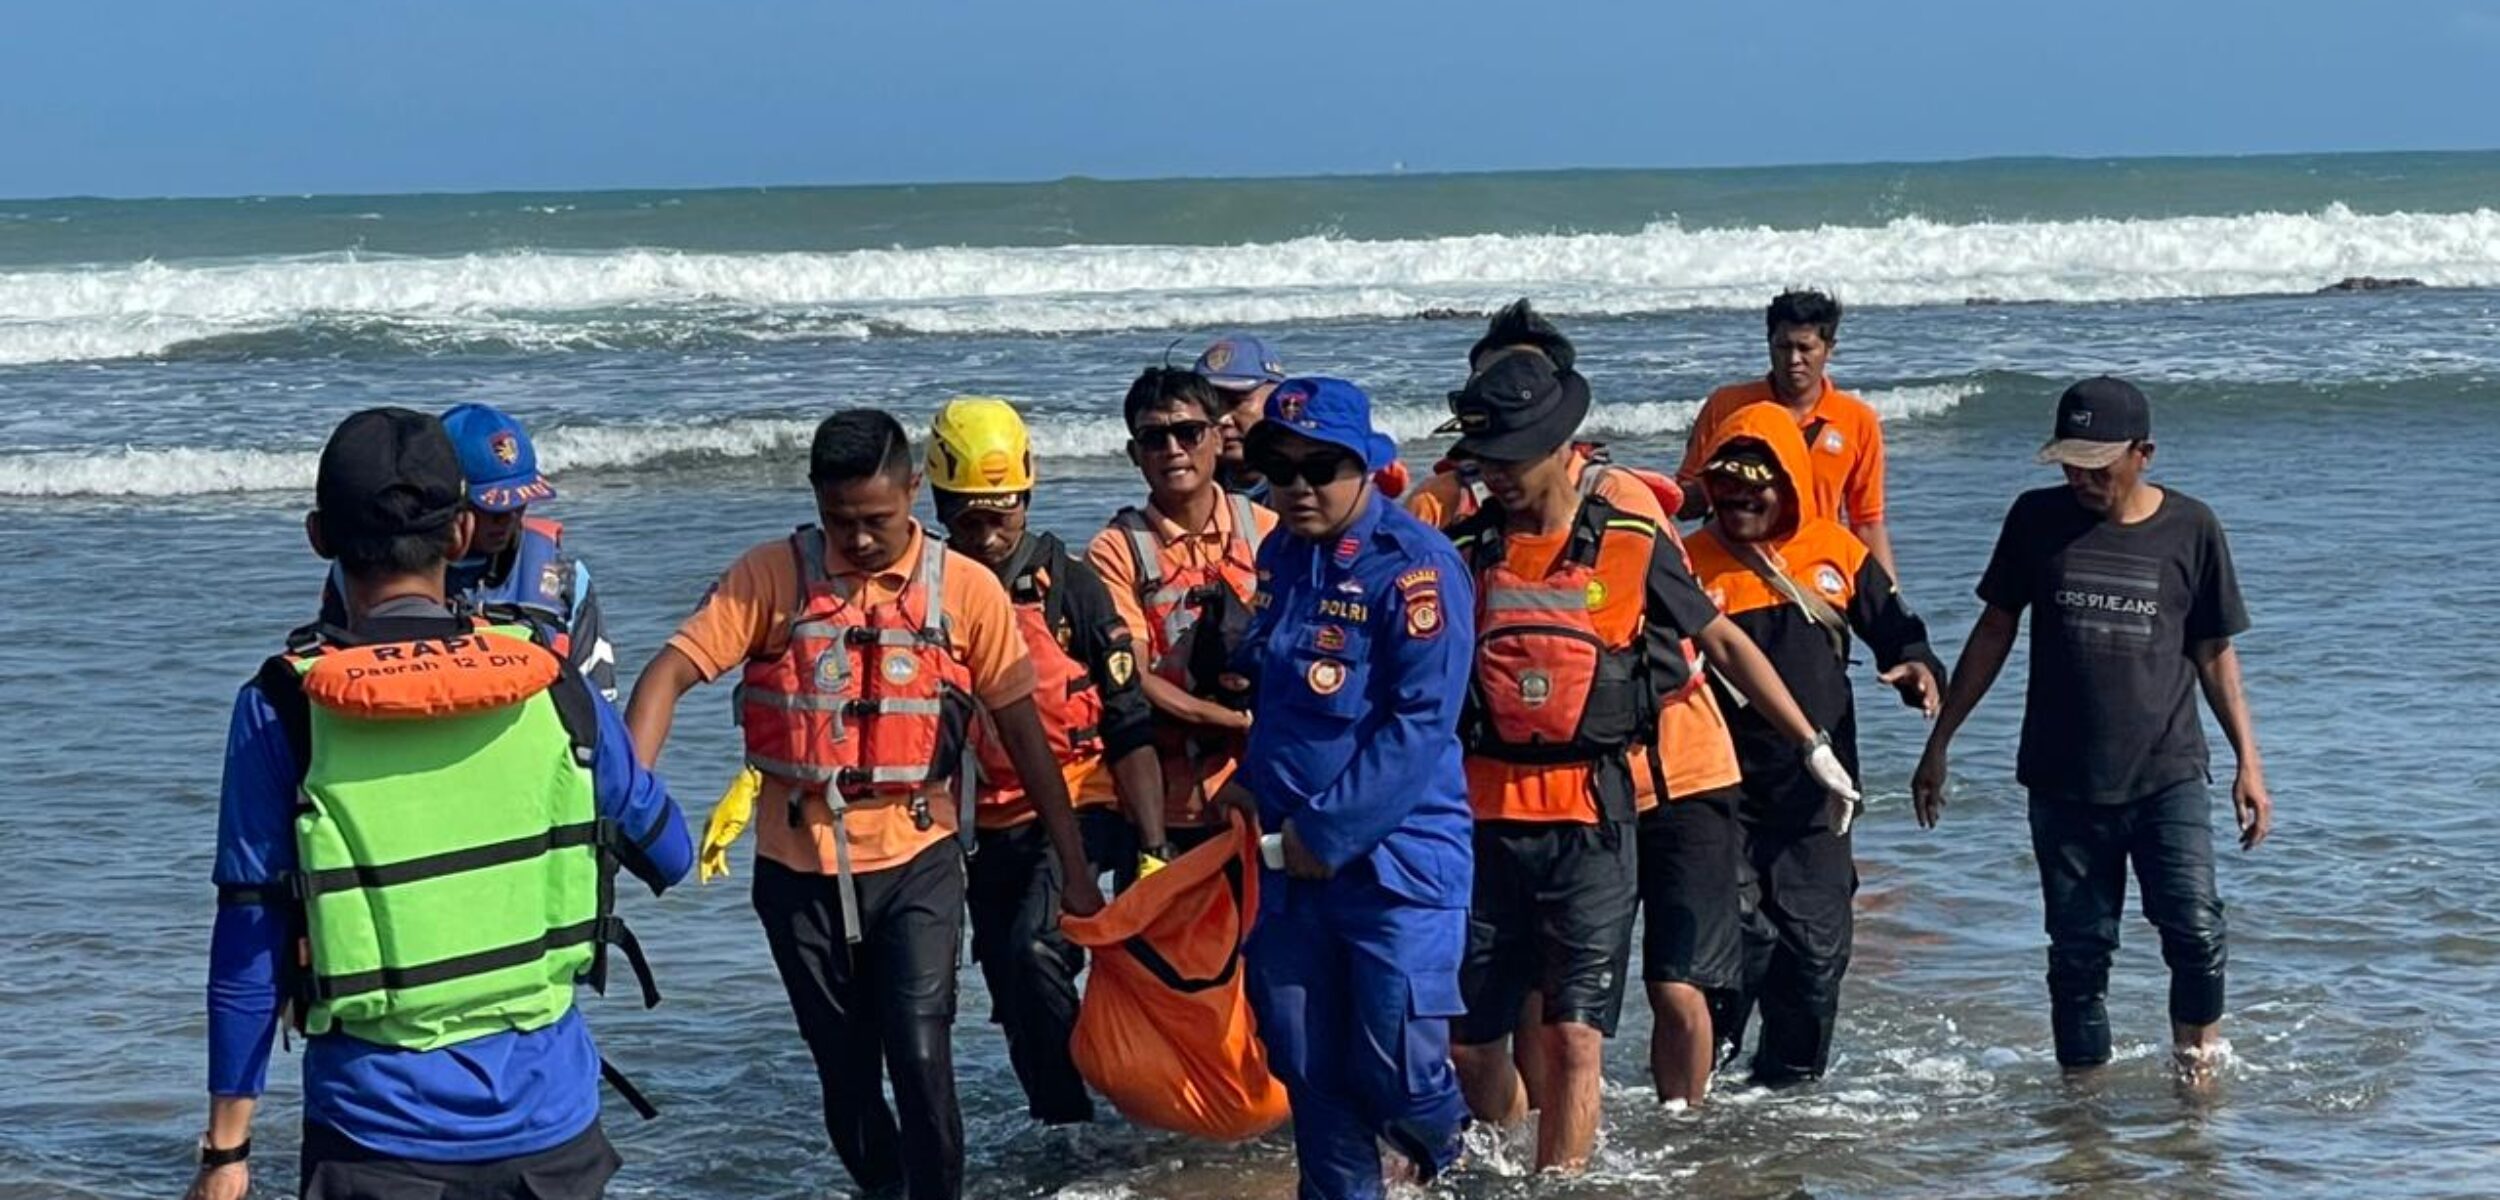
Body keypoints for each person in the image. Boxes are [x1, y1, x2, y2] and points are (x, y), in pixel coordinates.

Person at [191, 408, 691, 1200]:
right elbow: (671, 852)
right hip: (553, 1133)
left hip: (377, 1137)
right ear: (460, 534)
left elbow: (248, 942)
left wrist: (227, 1153)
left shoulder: (284, 706)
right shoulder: (553, 683)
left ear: (319, 537)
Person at [624, 410, 1103, 1200]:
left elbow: (1025, 737)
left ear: (913, 490)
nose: (860, 539)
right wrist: (631, 795)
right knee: (845, 1070)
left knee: (920, 1052)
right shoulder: (770, 577)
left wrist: (1076, 872)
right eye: (840, 520)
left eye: (877, 518)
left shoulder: (966, 591)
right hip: (796, 869)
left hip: (918, 857)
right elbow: (667, 675)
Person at [1435, 349, 1863, 1165]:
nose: (1496, 475)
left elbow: (1721, 641)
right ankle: (1509, 1153)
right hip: (1485, 821)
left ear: (1561, 447)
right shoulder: (1461, 549)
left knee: (1584, 1030)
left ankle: (1576, 1177)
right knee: (1473, 1043)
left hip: (1596, 818)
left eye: (1510, 458)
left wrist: (1810, 742)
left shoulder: (1630, 536)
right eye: (1484, 460)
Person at [1408, 300, 1762, 1108]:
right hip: (1513, 792)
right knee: (1521, 1008)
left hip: (1665, 766)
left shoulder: (1624, 502)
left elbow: (1693, 636)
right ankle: (1531, 1135)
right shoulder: (1441, 511)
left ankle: (1679, 1139)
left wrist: (1804, 742)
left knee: (1667, 986)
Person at [1912, 377, 2271, 1077]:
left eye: (2096, 465)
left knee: (2196, 932)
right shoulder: (2035, 519)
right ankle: (2082, 1106)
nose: (2080, 478)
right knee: (2078, 954)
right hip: (2061, 777)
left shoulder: (2192, 528)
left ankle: (2197, 1075)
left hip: (2167, 772)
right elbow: (1994, 632)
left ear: (2144, 454)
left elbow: (2214, 653)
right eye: (2070, 464)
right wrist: (1940, 741)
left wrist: (2248, 764)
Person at [1216, 376, 1474, 1200]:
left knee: (1399, 1070)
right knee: (1304, 1061)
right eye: (1280, 469)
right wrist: (1249, 783)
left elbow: (1420, 723)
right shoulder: (1281, 557)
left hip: (1397, 866)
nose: (1298, 487)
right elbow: (1285, 701)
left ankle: (1461, 1164)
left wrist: (1324, 834)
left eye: (1320, 468)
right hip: (1290, 872)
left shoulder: (1417, 569)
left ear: (1363, 465)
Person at [922, 395, 1171, 1128]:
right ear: (940, 507)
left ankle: (1083, 1117)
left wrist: (1153, 848)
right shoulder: (924, 593)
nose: (989, 534)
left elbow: (1128, 720)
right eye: (970, 518)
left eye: (1003, 514)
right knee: (1008, 981)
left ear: (1027, 497)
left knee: (1037, 947)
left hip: (1078, 806)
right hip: (975, 826)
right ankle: (1059, 1121)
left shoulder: (1071, 586)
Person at [1685, 402, 1942, 1086]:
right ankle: (1702, 1088)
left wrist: (1917, 669)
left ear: (1793, 484)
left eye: (1757, 488)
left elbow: (1900, 633)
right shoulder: (1686, 564)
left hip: (1820, 793)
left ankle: (1792, 1101)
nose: (1740, 500)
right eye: (1726, 487)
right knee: (1738, 939)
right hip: (1718, 791)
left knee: (1815, 954)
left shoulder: (1837, 550)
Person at [1087, 367, 1278, 853]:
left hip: (1267, 786)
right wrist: (1221, 718)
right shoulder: (1116, 549)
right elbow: (1129, 673)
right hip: (1171, 805)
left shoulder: (1268, 529)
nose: (1172, 449)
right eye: (1154, 438)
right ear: (1135, 454)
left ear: (1217, 436)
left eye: (1188, 432)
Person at [319, 402, 617, 699]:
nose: (508, 519)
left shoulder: (563, 577)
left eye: (518, 505)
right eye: (491, 509)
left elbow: (600, 694)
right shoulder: (367, 574)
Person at [1677, 290, 1899, 579]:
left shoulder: (1857, 420)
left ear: (1829, 348)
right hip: (1732, 571)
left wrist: (1889, 597)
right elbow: (1684, 503)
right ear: (1769, 344)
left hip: (1817, 573)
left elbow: (1867, 522)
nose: (1793, 359)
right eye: (1783, 347)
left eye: (1805, 348)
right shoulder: (1727, 407)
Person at [1194, 332, 1287, 501]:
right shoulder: (1188, 487)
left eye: (1235, 402)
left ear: (1277, 399)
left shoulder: (1309, 484)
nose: (1222, 419)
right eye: (1210, 406)